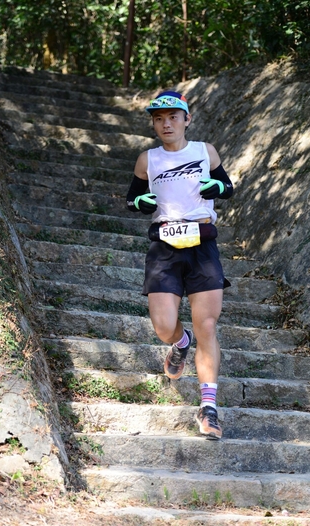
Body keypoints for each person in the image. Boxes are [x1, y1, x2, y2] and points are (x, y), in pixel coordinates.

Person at [126, 90, 233, 440]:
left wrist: (218, 187)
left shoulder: (205, 152)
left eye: (173, 117)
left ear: (187, 119)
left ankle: (208, 407)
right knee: (163, 327)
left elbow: (227, 186)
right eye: (159, 119)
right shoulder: (147, 160)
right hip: (164, 246)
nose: (166, 124)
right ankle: (180, 342)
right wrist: (140, 203)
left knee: (207, 325)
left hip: (202, 243)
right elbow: (132, 198)